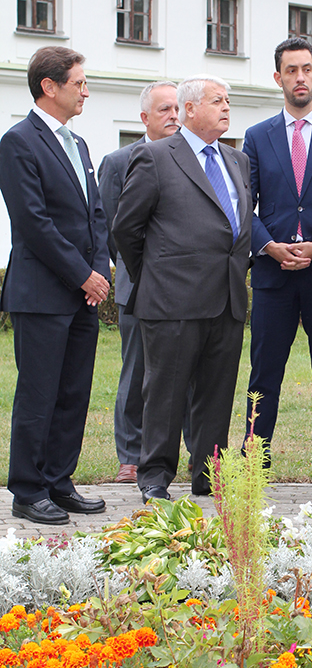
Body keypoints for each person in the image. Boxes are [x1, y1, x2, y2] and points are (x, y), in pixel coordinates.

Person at [112, 75, 251, 502]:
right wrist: (155, 274)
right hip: (171, 300)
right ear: (190, 109)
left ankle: (208, 473)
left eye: (227, 101)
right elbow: (126, 229)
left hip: (226, 298)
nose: (226, 107)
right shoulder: (156, 156)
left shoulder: (237, 160)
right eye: (217, 100)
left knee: (217, 392)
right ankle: (155, 476)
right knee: (165, 393)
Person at [0, 46, 110, 525]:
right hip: (42, 293)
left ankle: (59, 482)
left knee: (73, 394)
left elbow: (95, 216)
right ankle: (28, 490)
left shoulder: (78, 144)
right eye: (78, 82)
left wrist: (99, 272)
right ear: (49, 86)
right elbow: (33, 223)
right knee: (39, 394)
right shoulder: (18, 142)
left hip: (82, 294)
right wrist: (82, 274)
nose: (85, 91)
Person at [243, 37, 312, 491]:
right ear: (278, 78)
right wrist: (268, 246)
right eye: (291, 70)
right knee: (265, 372)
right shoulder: (257, 136)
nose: (300, 77)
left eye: (307, 68)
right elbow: (244, 205)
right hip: (274, 275)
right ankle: (255, 460)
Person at [98, 81, 180, 484]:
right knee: (136, 372)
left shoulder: (190, 157)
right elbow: (113, 227)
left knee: (182, 375)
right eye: (164, 109)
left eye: (178, 109)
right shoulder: (118, 162)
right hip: (138, 285)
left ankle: (179, 452)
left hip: (185, 288)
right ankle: (130, 456)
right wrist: (141, 269)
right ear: (145, 117)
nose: (174, 116)